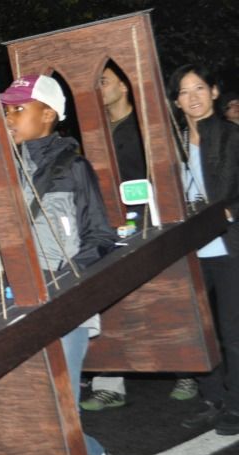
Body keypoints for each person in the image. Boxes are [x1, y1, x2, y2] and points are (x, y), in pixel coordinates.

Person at [0, 74, 116, 455]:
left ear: (47, 114)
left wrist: (66, 282)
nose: (9, 117)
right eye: (6, 110)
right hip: (15, 303)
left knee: (58, 398)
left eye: (18, 109)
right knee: (31, 399)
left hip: (67, 306)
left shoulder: (74, 167)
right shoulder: (0, 170)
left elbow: (101, 236)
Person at [81, 64, 198, 410]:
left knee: (165, 296)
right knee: (113, 302)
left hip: (152, 222)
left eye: (102, 81)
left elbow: (170, 169)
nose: (98, 88)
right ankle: (110, 383)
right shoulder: (93, 130)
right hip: (110, 228)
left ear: (123, 85)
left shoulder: (146, 125)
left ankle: (186, 370)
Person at [168, 64, 239, 436]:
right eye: (184, 91)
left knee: (233, 330)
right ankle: (213, 399)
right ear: (176, 101)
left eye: (199, 88)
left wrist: (229, 211)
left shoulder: (232, 136)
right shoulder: (171, 143)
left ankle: (237, 404)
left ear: (213, 91)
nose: (192, 97)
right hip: (189, 251)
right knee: (198, 331)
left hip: (229, 246)